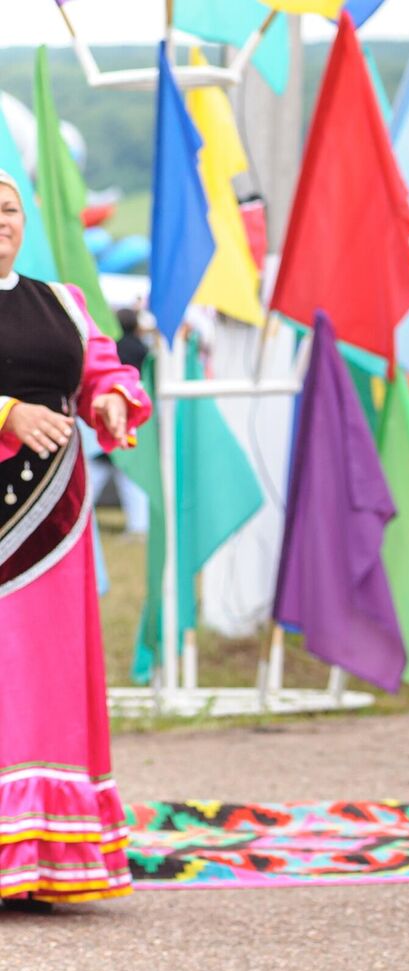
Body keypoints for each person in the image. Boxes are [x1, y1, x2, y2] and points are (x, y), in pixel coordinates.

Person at [0, 169, 152, 910]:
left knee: (44, 678)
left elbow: (99, 370)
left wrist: (115, 401)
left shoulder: (63, 301)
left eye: (9, 208)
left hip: (53, 525)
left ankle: (41, 856)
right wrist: (7, 413)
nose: (1, 219)